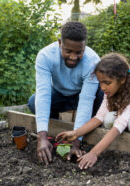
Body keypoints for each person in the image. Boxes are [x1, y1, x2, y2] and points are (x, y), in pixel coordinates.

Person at [56, 53, 130, 169]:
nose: (102, 87)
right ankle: (128, 143)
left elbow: (120, 124)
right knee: (108, 118)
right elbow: (99, 117)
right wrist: (76, 133)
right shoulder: (109, 93)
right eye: (100, 82)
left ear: (122, 79)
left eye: (107, 83)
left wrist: (94, 153)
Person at [27, 22, 103, 165]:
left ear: (84, 47)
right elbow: (43, 94)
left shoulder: (92, 61)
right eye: (68, 51)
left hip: (85, 95)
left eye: (79, 52)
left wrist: (76, 143)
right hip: (60, 94)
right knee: (33, 101)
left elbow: (86, 101)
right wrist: (41, 136)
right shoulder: (45, 56)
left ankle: (91, 129)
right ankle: (51, 136)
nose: (73, 57)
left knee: (101, 93)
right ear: (60, 43)